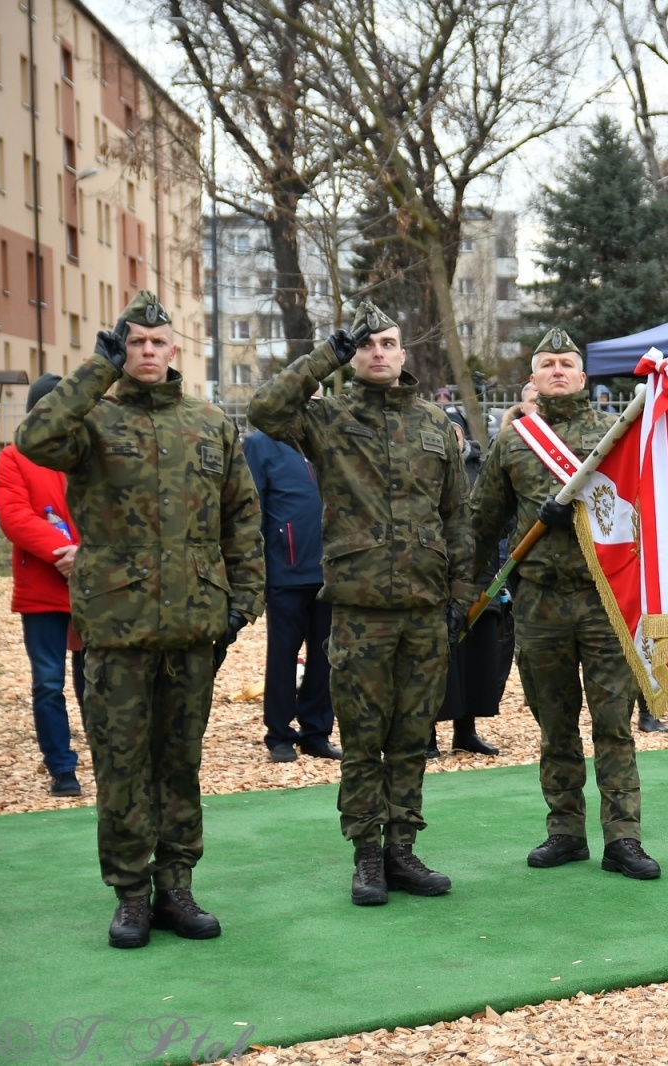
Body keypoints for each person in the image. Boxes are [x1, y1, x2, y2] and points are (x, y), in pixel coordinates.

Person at [17, 291, 265, 948]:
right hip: (118, 627)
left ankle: (176, 887)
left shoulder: (209, 422)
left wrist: (242, 602)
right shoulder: (92, 420)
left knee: (179, 762)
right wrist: (95, 371)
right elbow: (33, 437)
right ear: (120, 348)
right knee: (122, 763)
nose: (146, 352)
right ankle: (130, 893)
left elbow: (241, 516)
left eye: (157, 342)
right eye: (135, 342)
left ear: (174, 348)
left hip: (192, 626)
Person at [248, 301, 470, 906]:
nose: (378, 352)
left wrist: (462, 595)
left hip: (424, 609)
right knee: (364, 738)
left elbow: (458, 518)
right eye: (367, 344)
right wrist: (327, 355)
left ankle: (402, 848)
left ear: (404, 354)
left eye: (388, 343)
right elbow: (265, 410)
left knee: (411, 735)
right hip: (360, 608)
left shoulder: (435, 425)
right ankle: (366, 856)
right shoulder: (328, 418)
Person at [469, 328, 659, 879]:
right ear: (533, 378)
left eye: (566, 363)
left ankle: (624, 838)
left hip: (604, 601)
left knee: (614, 724)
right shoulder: (515, 441)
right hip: (539, 606)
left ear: (583, 376)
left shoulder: (617, 433)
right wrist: (466, 589)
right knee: (555, 724)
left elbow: (644, 507)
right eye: (547, 363)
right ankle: (565, 830)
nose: (557, 370)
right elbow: (483, 523)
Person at [0, 374, 87, 796]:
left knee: (99, 679)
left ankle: (109, 759)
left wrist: (84, 556)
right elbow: (15, 517)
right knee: (49, 682)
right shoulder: (14, 457)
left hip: (93, 585)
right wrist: (67, 552)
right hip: (45, 588)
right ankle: (62, 767)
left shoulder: (87, 452)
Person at [241, 428, 340, 765]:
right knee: (283, 656)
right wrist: (259, 570)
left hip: (330, 570)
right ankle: (279, 734)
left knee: (325, 656)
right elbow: (253, 508)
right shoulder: (260, 444)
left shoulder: (327, 438)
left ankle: (317, 732)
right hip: (286, 570)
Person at [432, 409, 502, 758]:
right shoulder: (427, 466)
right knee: (437, 658)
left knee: (476, 659)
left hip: (479, 575)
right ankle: (427, 735)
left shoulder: (483, 467)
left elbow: (497, 515)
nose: (450, 436)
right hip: (438, 578)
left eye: (454, 429)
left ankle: (466, 731)